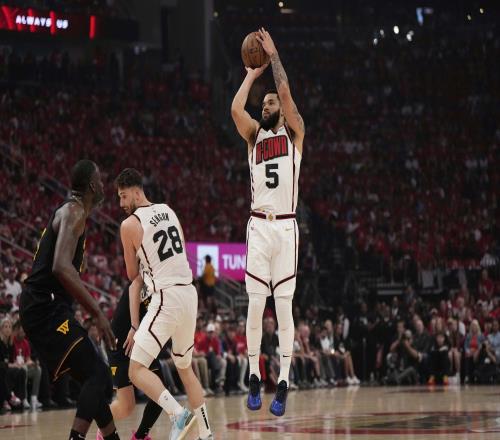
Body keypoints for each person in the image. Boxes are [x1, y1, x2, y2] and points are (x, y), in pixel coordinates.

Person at [231, 27, 305, 417]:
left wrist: (274, 58)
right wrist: (251, 75)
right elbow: (235, 110)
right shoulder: (253, 136)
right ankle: (254, 376)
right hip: (259, 225)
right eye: (264, 103)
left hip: (286, 227)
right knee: (256, 304)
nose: (266, 105)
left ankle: (285, 381)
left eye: (270, 102)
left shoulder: (294, 133)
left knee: (285, 306)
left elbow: (287, 92)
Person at [19, 159, 120, 440]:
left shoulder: (71, 212)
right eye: (100, 180)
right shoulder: (75, 212)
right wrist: (97, 312)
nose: (104, 185)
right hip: (44, 307)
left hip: (45, 306)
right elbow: (60, 267)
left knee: (95, 379)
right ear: (92, 186)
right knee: (98, 375)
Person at [115, 168, 213, 440]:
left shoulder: (129, 225)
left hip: (166, 296)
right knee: (185, 368)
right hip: (189, 293)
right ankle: (207, 435)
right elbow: (179, 248)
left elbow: (132, 275)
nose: (121, 203)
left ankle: (177, 415)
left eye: (123, 196)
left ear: (137, 192)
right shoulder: (169, 210)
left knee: (135, 369)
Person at [97, 282, 168, 440]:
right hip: (121, 343)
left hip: (142, 342)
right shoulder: (142, 278)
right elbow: (134, 286)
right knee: (126, 407)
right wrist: (134, 327)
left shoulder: (165, 286)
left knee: (161, 391)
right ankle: (104, 427)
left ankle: (140, 436)